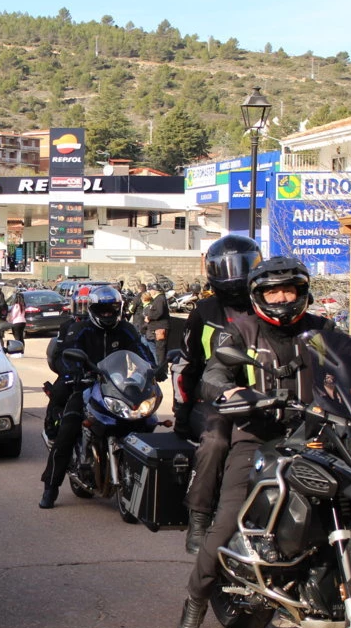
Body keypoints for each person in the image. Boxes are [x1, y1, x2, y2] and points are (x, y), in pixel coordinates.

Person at [176, 256, 333, 628]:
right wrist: (230, 393)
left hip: (317, 435)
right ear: (258, 295)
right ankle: (195, 603)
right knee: (228, 520)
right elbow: (213, 373)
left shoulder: (324, 330)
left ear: (302, 293)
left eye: (289, 289)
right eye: (272, 290)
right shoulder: (242, 330)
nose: (282, 297)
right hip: (258, 436)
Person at [173, 235, 261, 554]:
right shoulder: (205, 311)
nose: (237, 273)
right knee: (216, 441)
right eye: (228, 266)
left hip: (265, 398)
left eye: (245, 264)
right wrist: (182, 414)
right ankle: (198, 520)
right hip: (214, 401)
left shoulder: (266, 306)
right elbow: (188, 365)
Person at [39, 286, 153, 509]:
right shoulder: (80, 329)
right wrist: (74, 372)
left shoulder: (126, 330)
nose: (108, 314)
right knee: (68, 429)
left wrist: (154, 368)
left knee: (146, 420)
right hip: (85, 385)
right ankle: (50, 488)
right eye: (103, 309)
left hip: (117, 388)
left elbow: (142, 350)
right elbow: (66, 355)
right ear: (92, 309)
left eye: (112, 309)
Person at [143, 284, 170, 367]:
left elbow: (159, 312)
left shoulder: (159, 299)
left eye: (150, 290)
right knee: (159, 349)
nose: (150, 292)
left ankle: (161, 368)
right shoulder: (157, 299)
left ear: (154, 290)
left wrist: (149, 317)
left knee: (160, 350)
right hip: (157, 327)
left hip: (160, 328)